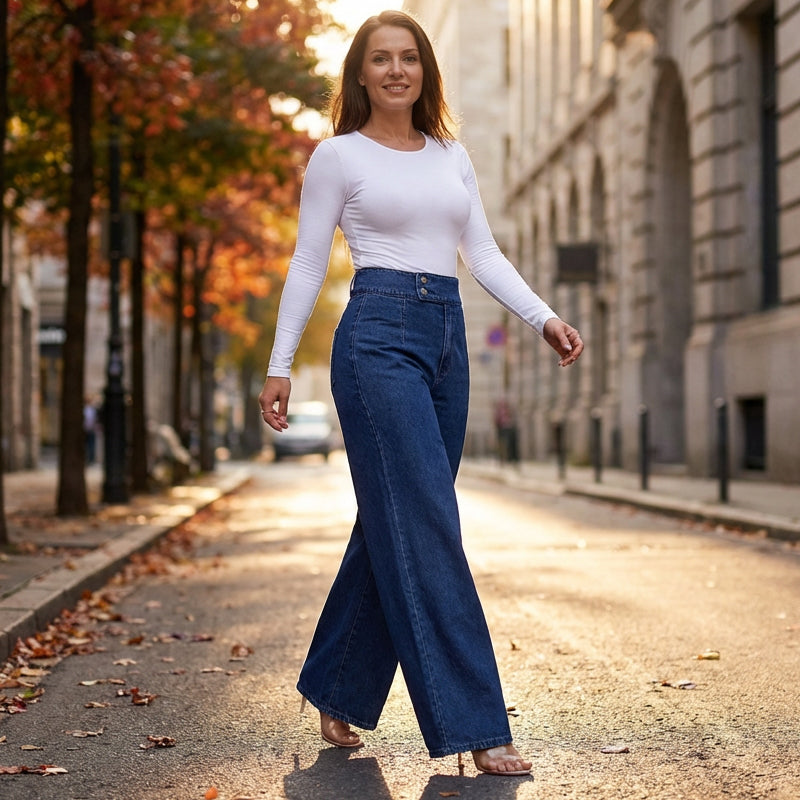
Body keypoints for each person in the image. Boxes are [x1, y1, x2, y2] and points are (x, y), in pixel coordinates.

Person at [259, 9, 583, 776]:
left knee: (398, 520)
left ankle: (335, 684)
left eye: (409, 58)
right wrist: (278, 364)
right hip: (375, 337)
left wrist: (542, 317)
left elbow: (483, 250)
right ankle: (476, 724)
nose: (397, 70)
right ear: (361, 73)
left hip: (447, 339)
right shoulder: (337, 156)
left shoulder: (451, 154)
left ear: (425, 70)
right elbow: (309, 263)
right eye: (381, 59)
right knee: (430, 522)